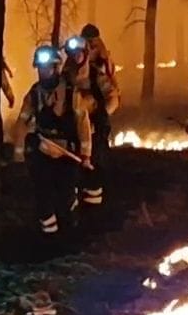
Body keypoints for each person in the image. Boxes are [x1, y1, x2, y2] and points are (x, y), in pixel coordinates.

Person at [18, 43, 86, 240]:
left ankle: (70, 233)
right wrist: (17, 150)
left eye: (46, 68)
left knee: (66, 197)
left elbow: (82, 123)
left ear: (56, 68)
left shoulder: (71, 92)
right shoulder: (34, 93)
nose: (42, 72)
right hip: (44, 151)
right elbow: (22, 120)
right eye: (40, 68)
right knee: (43, 196)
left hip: (67, 154)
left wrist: (86, 154)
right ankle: (49, 239)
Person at [65, 31, 119, 212]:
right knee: (71, 169)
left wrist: (101, 116)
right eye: (73, 54)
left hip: (95, 132)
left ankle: (96, 209)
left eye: (79, 53)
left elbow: (112, 97)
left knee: (96, 168)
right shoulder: (65, 77)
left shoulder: (97, 76)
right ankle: (74, 206)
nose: (76, 57)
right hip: (72, 131)